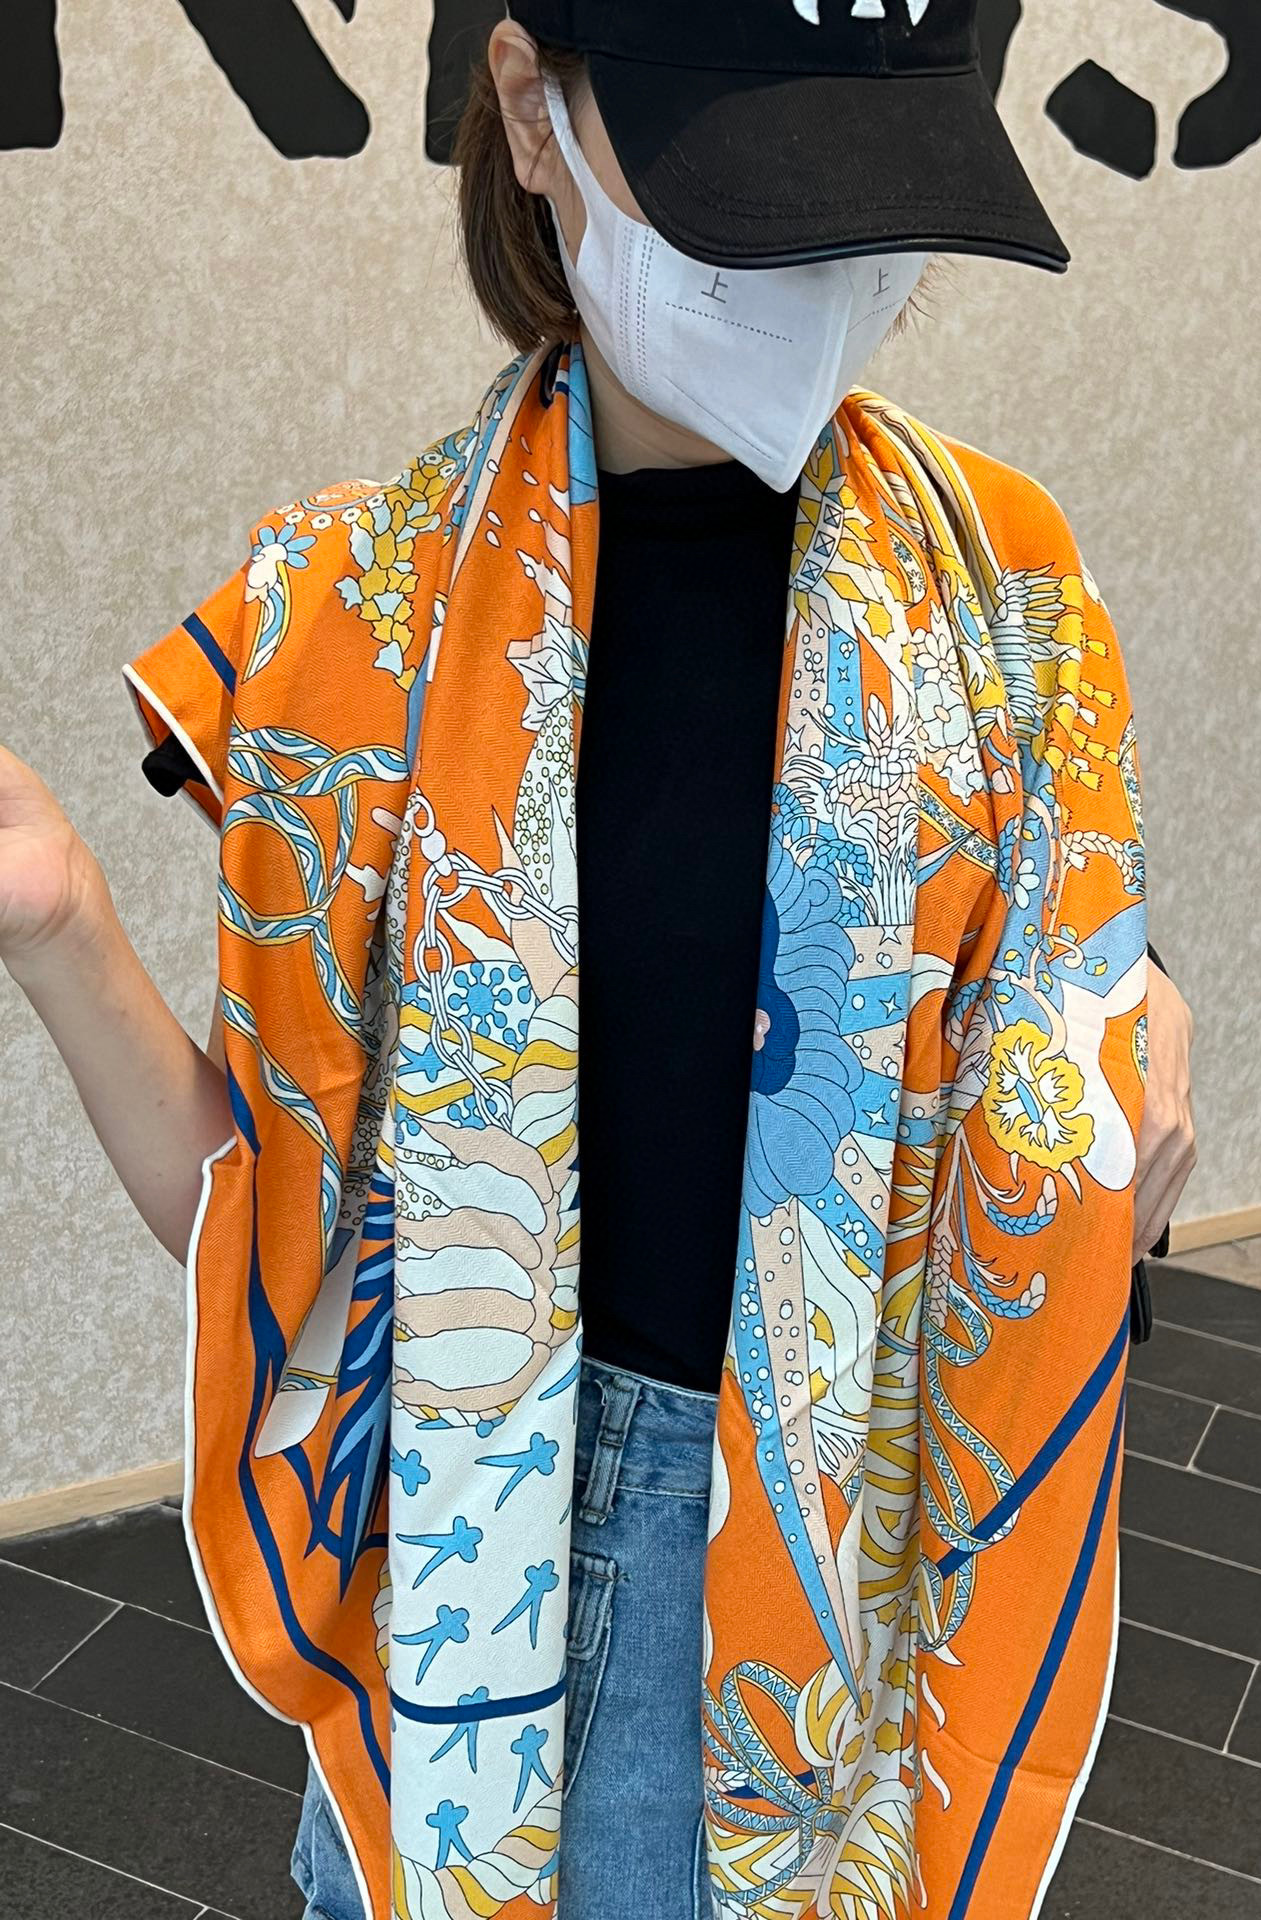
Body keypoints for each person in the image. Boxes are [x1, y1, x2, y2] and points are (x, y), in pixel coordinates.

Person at [0, 3, 1196, 1917]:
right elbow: (289, 1247)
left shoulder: (1006, 605)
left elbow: (1078, 1077)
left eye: (867, 206)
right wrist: (61, 927)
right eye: (750, 203)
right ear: (531, 108)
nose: (818, 273)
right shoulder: (357, 625)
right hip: (453, 1564)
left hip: (844, 1573)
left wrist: (1122, 1074)